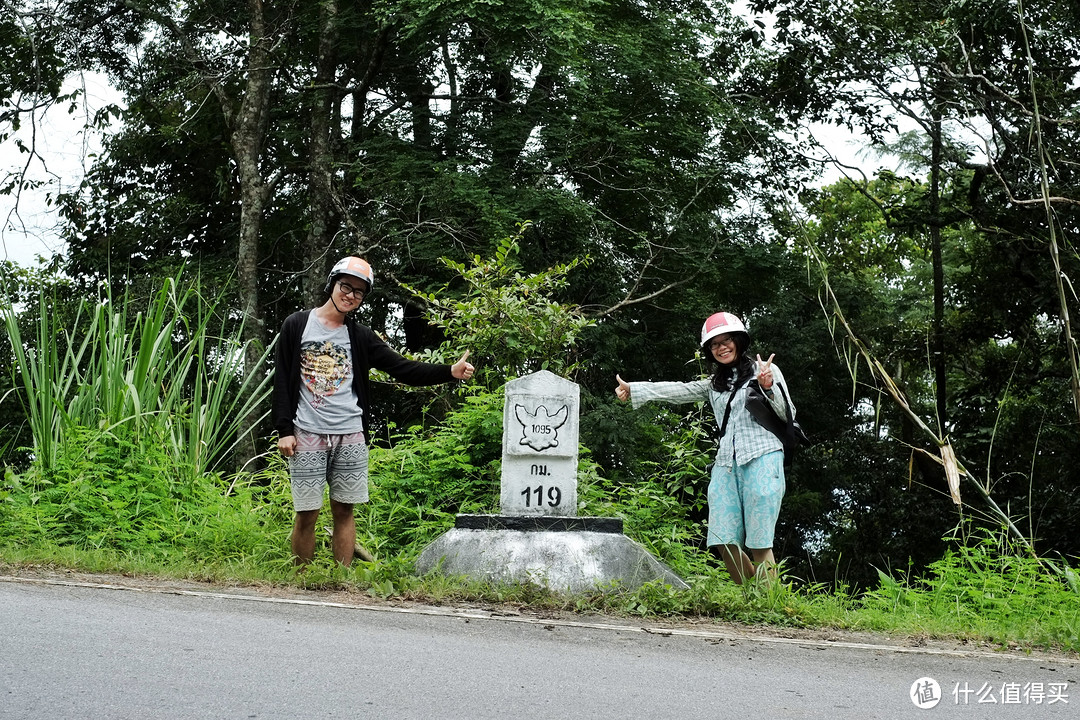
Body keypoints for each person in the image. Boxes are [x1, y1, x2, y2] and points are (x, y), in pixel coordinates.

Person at [272, 256, 475, 566]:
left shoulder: (360, 336)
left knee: (344, 510)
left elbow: (402, 368)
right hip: (307, 431)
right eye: (345, 286)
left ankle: (342, 581)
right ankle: (301, 582)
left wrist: (449, 371)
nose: (350, 295)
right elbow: (282, 379)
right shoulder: (297, 324)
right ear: (332, 284)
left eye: (358, 292)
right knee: (306, 512)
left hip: (350, 432)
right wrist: (284, 430)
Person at [614, 311, 796, 584]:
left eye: (727, 341)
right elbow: (679, 390)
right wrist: (634, 389)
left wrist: (768, 387)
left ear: (739, 341)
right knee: (723, 539)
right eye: (714, 344)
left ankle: (770, 603)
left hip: (763, 456)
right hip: (725, 463)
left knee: (759, 541)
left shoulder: (764, 371)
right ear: (709, 351)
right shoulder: (715, 385)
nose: (722, 347)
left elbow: (787, 414)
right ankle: (753, 599)